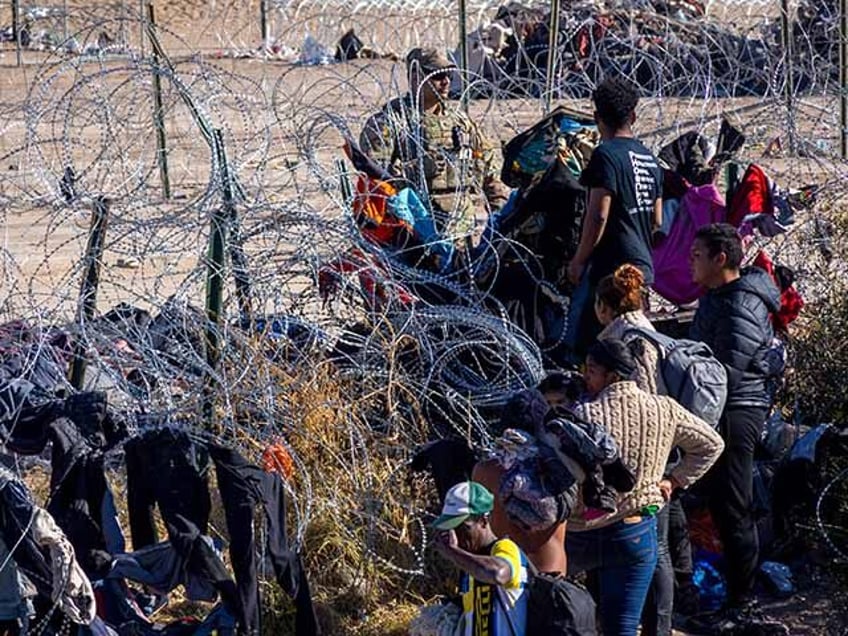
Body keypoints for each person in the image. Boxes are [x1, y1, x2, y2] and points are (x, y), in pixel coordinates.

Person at [566, 339, 724, 636]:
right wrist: (674, 480)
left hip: (581, 536)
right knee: (623, 627)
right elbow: (712, 444)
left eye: (591, 371)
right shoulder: (663, 408)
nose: (585, 378)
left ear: (612, 376)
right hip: (635, 531)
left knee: (571, 618)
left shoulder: (581, 415)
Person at [595, 264, 698, 634]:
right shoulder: (645, 331)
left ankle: (657, 627)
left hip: (646, 451)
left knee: (654, 549)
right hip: (662, 447)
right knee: (655, 548)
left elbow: (639, 401)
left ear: (604, 307)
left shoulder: (629, 341)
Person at [689, 223, 781, 619]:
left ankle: (741, 602)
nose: (689, 262)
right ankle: (728, 592)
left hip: (736, 411)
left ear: (720, 259)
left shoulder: (740, 304)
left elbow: (727, 370)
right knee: (717, 504)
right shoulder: (719, 297)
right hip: (720, 409)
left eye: (696, 255)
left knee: (733, 505)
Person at [360, 47, 509, 248]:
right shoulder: (392, 121)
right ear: (415, 78)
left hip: (461, 231)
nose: (446, 81)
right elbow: (374, 177)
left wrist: (499, 214)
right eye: (437, 76)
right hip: (414, 232)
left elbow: (489, 169)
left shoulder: (461, 123)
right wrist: (414, 171)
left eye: (447, 75)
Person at [565, 76, 663, 360]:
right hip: (642, 268)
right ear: (632, 115)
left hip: (611, 271)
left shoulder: (605, 156)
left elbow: (598, 214)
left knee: (588, 347)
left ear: (596, 117)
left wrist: (579, 260)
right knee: (634, 349)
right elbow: (656, 221)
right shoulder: (649, 158)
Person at [472, 389, 569, 575]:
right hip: (552, 573)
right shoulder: (561, 467)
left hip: (507, 572)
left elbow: (477, 529)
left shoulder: (486, 471)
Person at [433, 481, 529, 636]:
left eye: (462, 528)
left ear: (484, 521)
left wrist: (453, 552)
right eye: (451, 528)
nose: (457, 536)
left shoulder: (504, 547)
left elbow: (498, 574)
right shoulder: (470, 564)